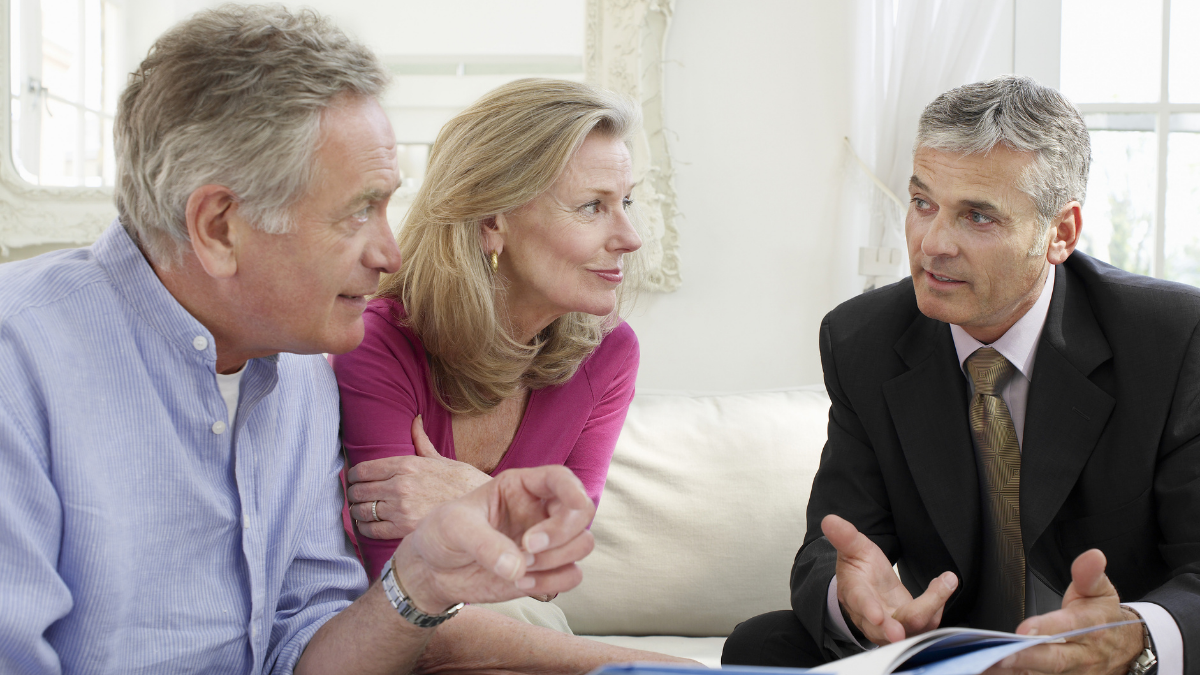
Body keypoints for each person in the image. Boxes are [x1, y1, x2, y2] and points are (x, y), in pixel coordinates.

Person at [0, 6, 666, 673]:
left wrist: (423, 579)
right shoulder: (19, 360)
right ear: (220, 227)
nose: (390, 253)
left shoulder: (301, 376)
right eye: (358, 211)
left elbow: (306, 656)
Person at [723, 75, 1200, 675]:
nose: (932, 243)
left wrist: (1135, 636)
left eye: (978, 217)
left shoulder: (1172, 337)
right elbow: (834, 546)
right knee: (760, 645)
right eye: (923, 203)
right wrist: (859, 601)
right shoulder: (862, 339)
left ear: (1060, 233)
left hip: (1107, 662)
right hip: (960, 658)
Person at [331, 78, 643, 632]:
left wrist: (472, 497)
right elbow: (405, 595)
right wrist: (524, 521)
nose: (629, 236)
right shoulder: (380, 342)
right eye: (592, 207)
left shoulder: (610, 353)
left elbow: (560, 561)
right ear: (493, 222)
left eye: (627, 202)